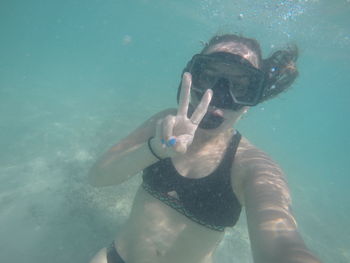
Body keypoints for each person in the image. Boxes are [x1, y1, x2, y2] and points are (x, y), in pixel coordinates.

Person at [88, 34, 321, 263]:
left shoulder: (252, 166)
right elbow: (98, 177)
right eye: (208, 77)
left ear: (253, 100)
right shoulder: (163, 123)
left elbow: (283, 247)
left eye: (240, 87)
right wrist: (156, 149)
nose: (217, 97)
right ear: (189, 79)